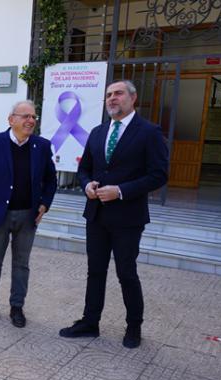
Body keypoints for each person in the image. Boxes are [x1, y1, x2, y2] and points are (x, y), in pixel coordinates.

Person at [59, 80, 169, 349]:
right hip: (96, 214)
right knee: (95, 271)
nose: (112, 99)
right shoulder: (98, 132)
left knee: (126, 273)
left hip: (128, 218)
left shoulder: (149, 132)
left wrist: (120, 191)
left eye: (118, 93)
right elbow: (85, 168)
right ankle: (90, 322)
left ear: (132, 98)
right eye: (108, 95)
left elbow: (159, 175)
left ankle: (133, 327)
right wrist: (86, 185)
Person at [0, 101, 57, 328]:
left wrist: (44, 205)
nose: (30, 121)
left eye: (33, 117)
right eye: (25, 116)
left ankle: (17, 306)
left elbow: (51, 180)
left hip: (28, 216)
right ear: (11, 119)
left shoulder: (42, 146)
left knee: (21, 264)